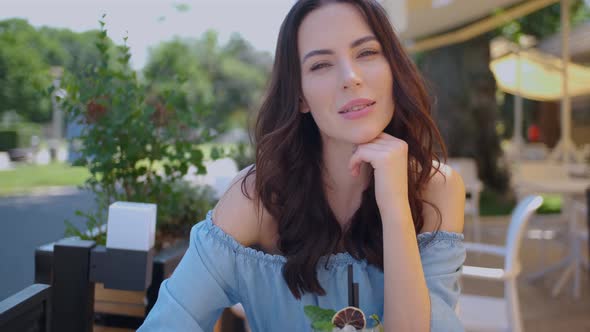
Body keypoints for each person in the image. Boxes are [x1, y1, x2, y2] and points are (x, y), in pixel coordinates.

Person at [138, 0, 466, 331]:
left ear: (394, 69)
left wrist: (395, 207)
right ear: (300, 97)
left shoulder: (437, 188)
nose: (350, 77)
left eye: (366, 53)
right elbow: (171, 319)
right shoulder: (258, 197)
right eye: (321, 65)